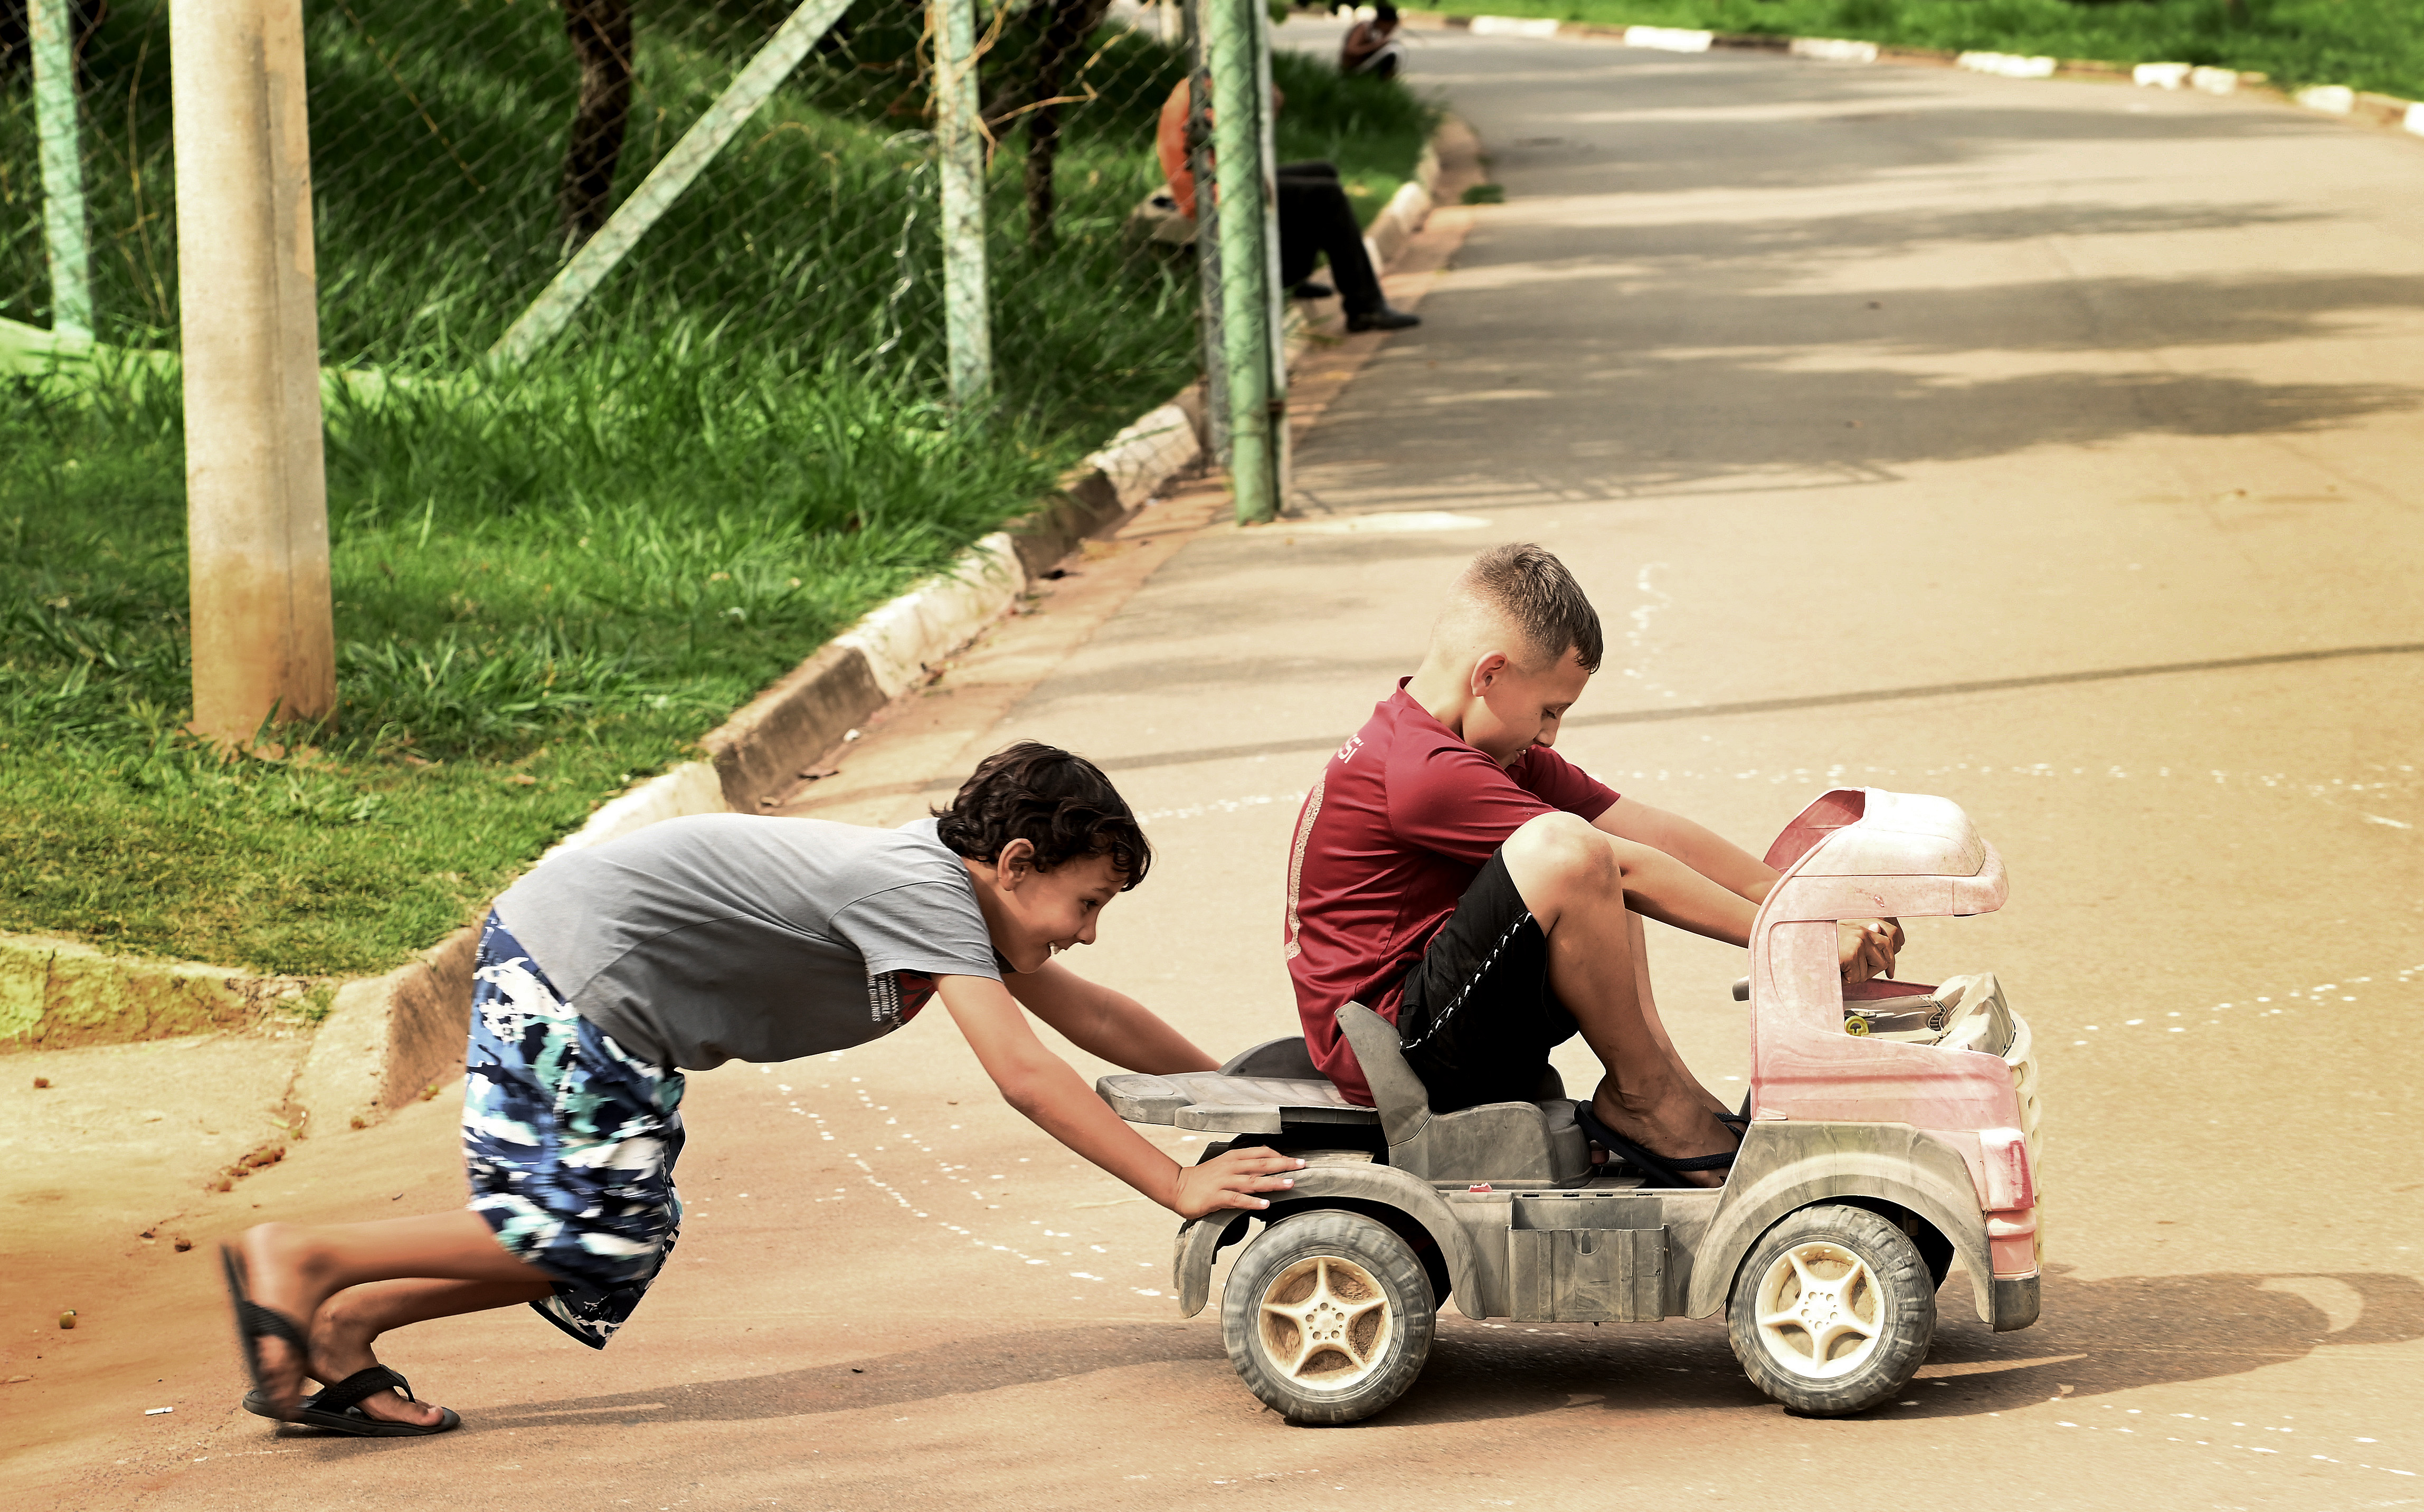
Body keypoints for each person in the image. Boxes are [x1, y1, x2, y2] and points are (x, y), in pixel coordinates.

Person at [222, 743, 1304, 1435]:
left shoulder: (959, 904)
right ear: (1016, 863)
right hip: (573, 970)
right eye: (1087, 902)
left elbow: (1096, 1016)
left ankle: (346, 1323)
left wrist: (1242, 1094)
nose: (1087, 931)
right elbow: (1026, 1074)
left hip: (605, 994)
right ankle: (306, 1260)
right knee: (585, 1229)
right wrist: (1173, 1182)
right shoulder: (927, 891)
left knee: (618, 1237)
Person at [1280, 545, 1902, 1187]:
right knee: (1573, 854)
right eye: (1549, 710)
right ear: (1489, 673)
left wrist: (1809, 905)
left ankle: (1662, 1079)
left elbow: (1652, 833)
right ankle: (1643, 1095)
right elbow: (1620, 865)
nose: (1550, 734)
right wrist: (1795, 937)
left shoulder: (1473, 747)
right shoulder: (1422, 770)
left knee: (1596, 854)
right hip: (1390, 1053)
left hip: (1436, 1013)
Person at [1154, 77, 1420, 333]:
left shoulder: (1201, 84)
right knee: (1326, 196)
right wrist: (1260, 108)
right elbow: (1231, 149)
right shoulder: (1209, 94)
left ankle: (1289, 276)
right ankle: (1365, 308)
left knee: (1323, 172)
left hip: (1222, 182)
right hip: (1215, 195)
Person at [1340, 1, 1403, 80]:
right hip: (1353, 68)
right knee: (1390, 54)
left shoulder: (1377, 32)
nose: (1391, 30)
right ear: (1383, 22)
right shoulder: (1364, 28)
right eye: (1391, 27)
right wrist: (1377, 45)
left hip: (1365, 67)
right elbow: (1351, 50)